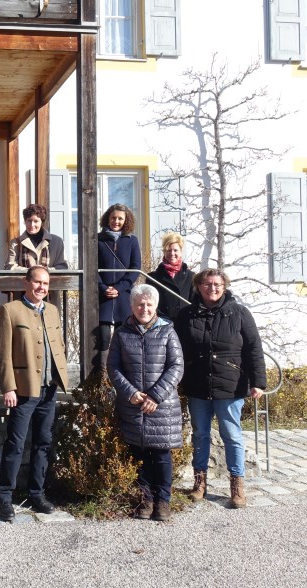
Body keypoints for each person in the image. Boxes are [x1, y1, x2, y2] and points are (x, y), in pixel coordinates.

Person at [173, 268, 267, 509]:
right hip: (198, 385)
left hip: (231, 385)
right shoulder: (186, 315)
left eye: (216, 284)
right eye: (206, 284)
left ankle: (236, 485)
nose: (211, 288)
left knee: (232, 436)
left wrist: (258, 382)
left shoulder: (239, 313)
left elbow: (254, 348)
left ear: (224, 286)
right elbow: (177, 351)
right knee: (200, 435)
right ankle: (200, 483)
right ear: (198, 286)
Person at [0, 265, 69, 521]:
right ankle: (4, 496)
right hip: (23, 391)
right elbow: (2, 354)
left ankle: (37, 493)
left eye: (45, 284)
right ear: (26, 283)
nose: (41, 287)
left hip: (49, 390)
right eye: (37, 282)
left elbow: (58, 346)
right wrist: (9, 387)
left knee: (43, 443)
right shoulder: (9, 311)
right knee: (15, 444)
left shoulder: (53, 311)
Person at [107, 284, 184, 521]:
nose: (145, 308)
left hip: (161, 406)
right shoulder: (122, 333)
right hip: (133, 406)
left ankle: (163, 501)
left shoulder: (168, 331)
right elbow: (113, 367)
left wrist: (155, 396)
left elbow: (176, 366)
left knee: (161, 456)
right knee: (139, 454)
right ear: (132, 306)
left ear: (156, 306)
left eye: (149, 304)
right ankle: (145, 500)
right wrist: (130, 392)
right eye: (140, 304)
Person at [97, 203, 141, 367]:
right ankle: (100, 382)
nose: (116, 221)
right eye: (113, 217)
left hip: (123, 298)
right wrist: (103, 288)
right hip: (103, 298)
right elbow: (92, 269)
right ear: (108, 218)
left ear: (126, 220)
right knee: (102, 341)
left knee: (125, 341)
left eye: (120, 218)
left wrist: (119, 288)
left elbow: (135, 268)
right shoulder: (98, 240)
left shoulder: (132, 240)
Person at [146, 232, 196, 321]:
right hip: (162, 324)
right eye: (168, 250)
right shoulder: (153, 277)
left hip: (184, 323)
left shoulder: (190, 276)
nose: (172, 253)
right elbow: (150, 303)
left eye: (175, 250)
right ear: (164, 252)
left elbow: (194, 302)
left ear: (181, 251)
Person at [4, 203, 68, 271]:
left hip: (50, 281)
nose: (32, 225)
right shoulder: (15, 243)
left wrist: (44, 271)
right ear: (25, 222)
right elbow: (10, 267)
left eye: (36, 221)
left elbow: (62, 267)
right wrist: (32, 271)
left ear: (42, 222)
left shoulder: (57, 242)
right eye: (29, 221)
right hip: (24, 281)